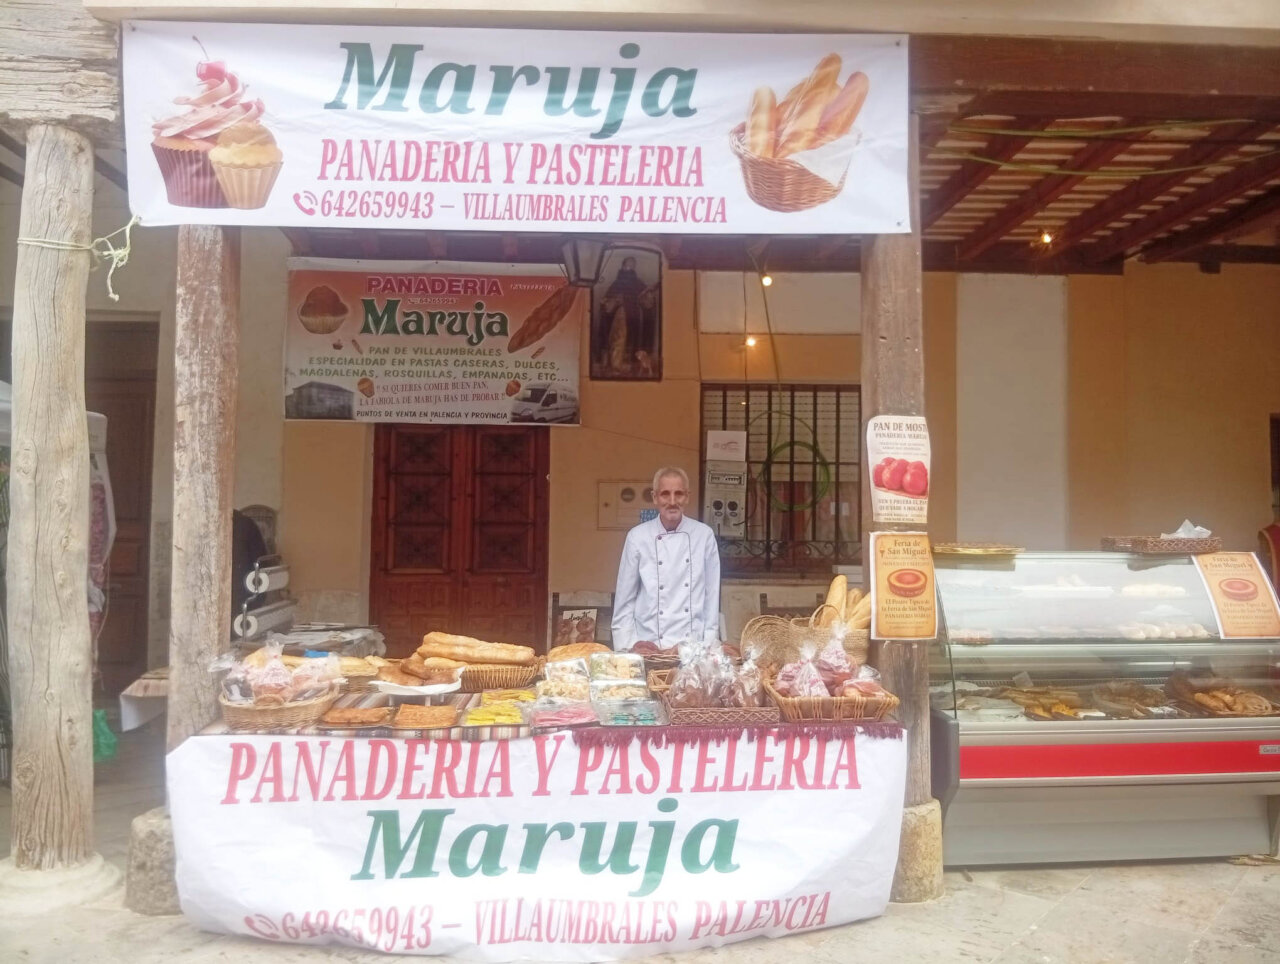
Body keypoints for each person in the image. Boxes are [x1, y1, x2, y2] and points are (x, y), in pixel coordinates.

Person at [611, 467, 721, 650]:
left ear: (687, 496)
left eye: (678, 494)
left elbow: (711, 596)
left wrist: (709, 646)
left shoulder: (704, 535)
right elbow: (625, 600)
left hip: (692, 648)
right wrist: (627, 649)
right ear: (655, 497)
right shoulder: (637, 537)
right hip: (648, 645)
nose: (672, 501)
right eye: (665, 494)